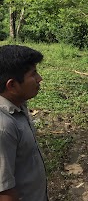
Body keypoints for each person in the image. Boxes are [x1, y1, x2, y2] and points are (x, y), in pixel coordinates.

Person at [0, 45, 48, 201]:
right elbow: (4, 191)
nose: (39, 79)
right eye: (33, 74)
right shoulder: (4, 126)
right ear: (12, 85)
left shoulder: (18, 104)